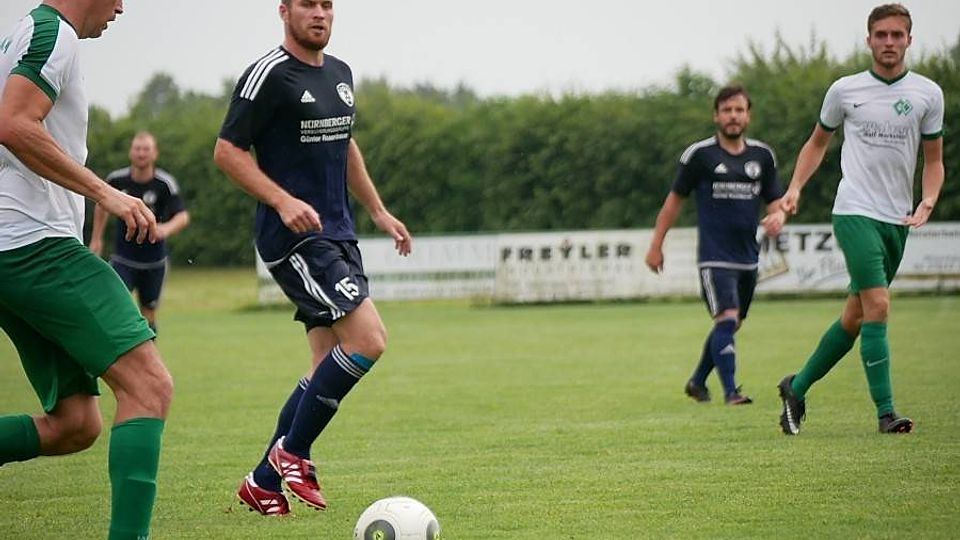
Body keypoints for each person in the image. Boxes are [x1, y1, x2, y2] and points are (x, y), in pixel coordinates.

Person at [214, 0, 412, 516]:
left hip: (339, 234)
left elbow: (346, 146)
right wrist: (281, 200)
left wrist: (378, 210)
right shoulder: (267, 74)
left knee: (327, 362)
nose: (319, 13)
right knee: (369, 339)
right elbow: (227, 152)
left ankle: (263, 481)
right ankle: (293, 451)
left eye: (327, 4)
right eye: (307, 3)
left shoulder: (341, 73)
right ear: (284, 11)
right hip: (295, 238)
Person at [0, 1, 174, 538]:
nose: (121, 6)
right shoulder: (55, 33)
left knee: (74, 424)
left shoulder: (26, 32)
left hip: (17, 250)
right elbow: (12, 122)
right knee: (149, 386)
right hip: (35, 246)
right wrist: (106, 193)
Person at [776, 4, 944, 435]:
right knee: (879, 306)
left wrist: (928, 199)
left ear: (909, 40)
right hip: (854, 211)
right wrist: (795, 188)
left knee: (855, 317)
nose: (889, 42)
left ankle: (796, 387)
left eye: (897, 35)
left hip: (897, 220)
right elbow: (817, 143)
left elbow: (934, 159)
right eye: (881, 34)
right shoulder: (845, 90)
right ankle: (886, 413)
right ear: (868, 40)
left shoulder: (928, 94)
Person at [645, 85, 785, 406]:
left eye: (739, 110)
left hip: (748, 257)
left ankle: (697, 381)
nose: (733, 116)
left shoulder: (762, 156)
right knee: (727, 318)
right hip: (714, 257)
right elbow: (673, 202)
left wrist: (779, 217)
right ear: (716, 116)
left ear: (748, 116)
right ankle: (732, 392)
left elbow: (776, 201)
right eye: (727, 110)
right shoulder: (700, 155)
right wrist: (656, 245)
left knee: (733, 323)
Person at [90, 131, 191, 334]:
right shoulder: (117, 180)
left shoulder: (164, 184)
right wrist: (96, 239)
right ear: (131, 152)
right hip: (123, 259)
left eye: (146, 149)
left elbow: (182, 216)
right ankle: (119, 350)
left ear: (155, 154)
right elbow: (101, 205)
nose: (141, 153)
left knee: (148, 313)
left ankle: (150, 350)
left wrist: (164, 229)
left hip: (154, 262)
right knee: (116, 305)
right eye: (137, 149)